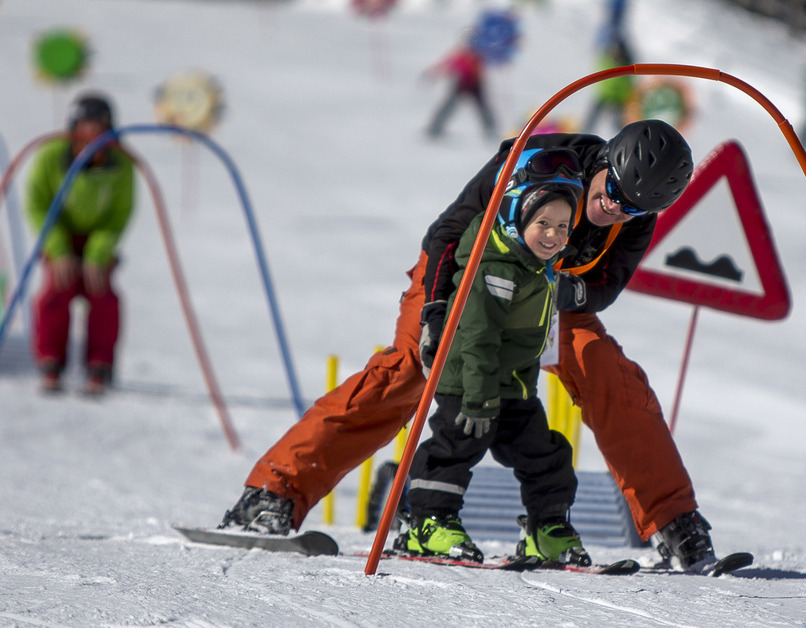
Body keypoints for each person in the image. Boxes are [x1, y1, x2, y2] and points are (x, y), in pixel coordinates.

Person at [222, 119, 721, 574]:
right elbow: (448, 232)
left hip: (544, 299)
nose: (616, 207)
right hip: (463, 276)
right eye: (613, 190)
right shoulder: (536, 159)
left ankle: (676, 523)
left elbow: (606, 286)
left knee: (608, 372)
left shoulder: (638, 215)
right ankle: (272, 492)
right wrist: (438, 310)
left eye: (632, 206)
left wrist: (565, 290)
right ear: (606, 160)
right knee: (407, 375)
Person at [399, 149, 588, 566]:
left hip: (512, 387)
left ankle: (548, 526)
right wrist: (478, 397)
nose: (553, 235)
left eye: (562, 225)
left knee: (546, 454)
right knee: (456, 447)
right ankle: (427, 523)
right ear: (515, 217)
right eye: (542, 223)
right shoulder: (496, 269)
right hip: (468, 383)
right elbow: (479, 338)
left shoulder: (535, 266)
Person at [26, 92, 135, 395]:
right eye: (86, 128)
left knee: (102, 295)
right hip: (60, 236)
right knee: (55, 292)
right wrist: (58, 250)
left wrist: (98, 254)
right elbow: (37, 205)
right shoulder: (52, 156)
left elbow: (119, 214)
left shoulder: (121, 163)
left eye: (100, 129)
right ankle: (51, 362)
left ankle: (99, 365)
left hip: (97, 241)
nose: (92, 137)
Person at [423, 41, 498, 141]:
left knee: (483, 109)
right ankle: (435, 128)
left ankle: (490, 130)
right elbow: (445, 65)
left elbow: (480, 72)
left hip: (474, 85)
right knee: (448, 107)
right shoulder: (462, 57)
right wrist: (432, 74)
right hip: (462, 84)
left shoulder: (476, 57)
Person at [582, 36, 635, 135]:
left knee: (618, 121)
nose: (618, 54)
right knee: (593, 115)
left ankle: (620, 134)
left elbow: (627, 83)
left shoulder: (627, 64)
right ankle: (585, 131)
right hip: (605, 95)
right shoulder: (607, 61)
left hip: (619, 99)